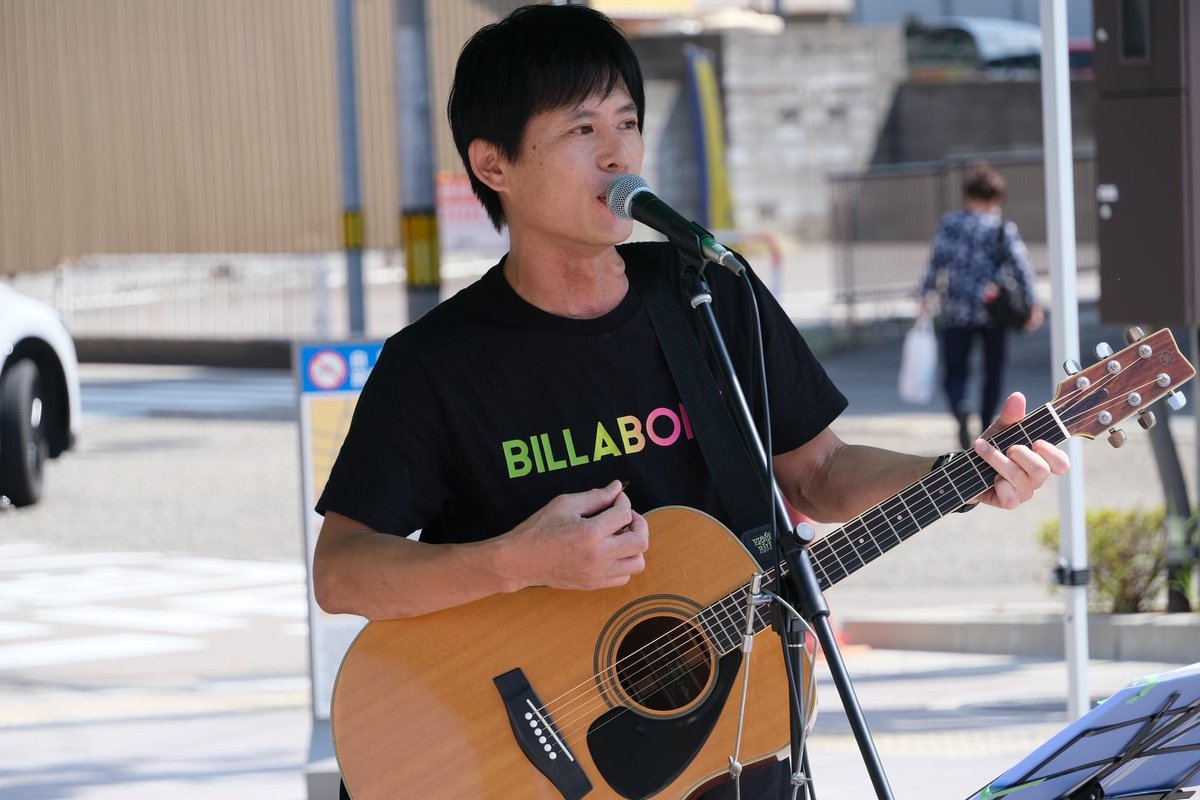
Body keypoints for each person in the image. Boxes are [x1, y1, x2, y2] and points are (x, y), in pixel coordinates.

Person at [313, 7, 1069, 798]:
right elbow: (343, 572)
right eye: (580, 130)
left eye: (628, 123)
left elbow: (821, 471)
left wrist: (959, 476)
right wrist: (515, 563)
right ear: (493, 164)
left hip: (734, 751)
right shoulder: (436, 363)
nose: (618, 154)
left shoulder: (710, 296)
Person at [918, 163, 1044, 450]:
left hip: (955, 310)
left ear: (967, 195)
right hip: (992, 312)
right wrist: (1033, 303)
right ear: (996, 197)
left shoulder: (950, 224)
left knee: (954, 370)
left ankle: (960, 405)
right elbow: (1021, 266)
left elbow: (935, 263)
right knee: (993, 371)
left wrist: (923, 297)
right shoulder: (1001, 227)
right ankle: (986, 426)